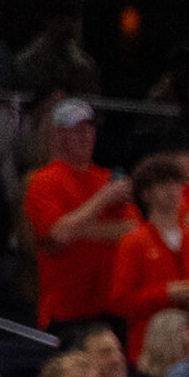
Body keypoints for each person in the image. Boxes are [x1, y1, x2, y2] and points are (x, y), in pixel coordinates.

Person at [24, 99, 136, 332]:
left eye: (90, 128)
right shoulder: (44, 180)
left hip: (109, 309)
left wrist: (77, 229)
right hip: (65, 311)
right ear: (59, 134)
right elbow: (59, 234)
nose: (86, 136)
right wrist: (103, 200)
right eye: (77, 129)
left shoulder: (106, 178)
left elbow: (131, 231)